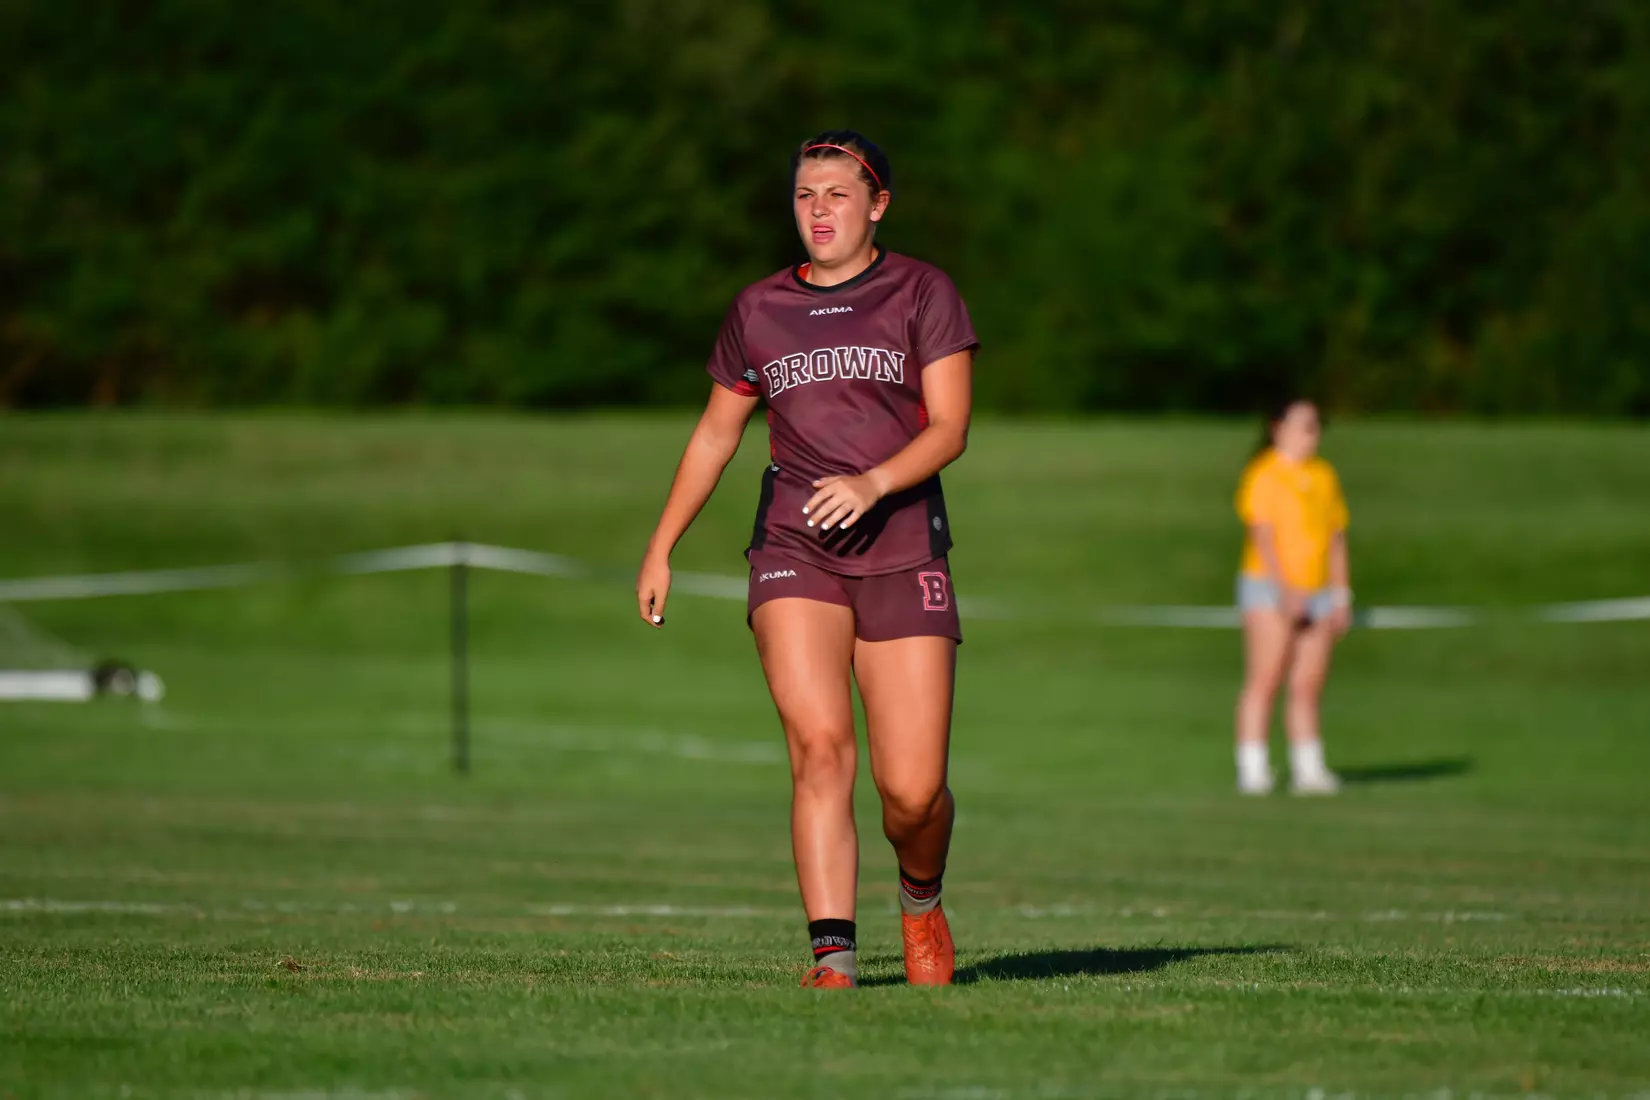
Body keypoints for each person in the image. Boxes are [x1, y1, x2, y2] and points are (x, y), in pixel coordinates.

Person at [636, 130, 978, 989]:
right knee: (820, 749)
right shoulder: (759, 309)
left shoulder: (923, 291)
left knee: (912, 794)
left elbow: (950, 428)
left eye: (837, 194)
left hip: (903, 549)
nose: (818, 211)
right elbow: (716, 435)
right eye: (804, 195)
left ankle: (922, 897)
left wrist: (873, 483)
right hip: (794, 551)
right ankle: (834, 961)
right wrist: (661, 544)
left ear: (878, 205)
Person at [1233, 398, 1352, 796]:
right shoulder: (1264, 474)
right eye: (1303, 426)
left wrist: (1341, 593)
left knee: (1307, 685)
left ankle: (1309, 769)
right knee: (1265, 679)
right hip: (1270, 589)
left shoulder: (1323, 475)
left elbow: (1335, 537)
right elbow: (1263, 536)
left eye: (1315, 426)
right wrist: (1285, 591)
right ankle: (1253, 768)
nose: (1311, 435)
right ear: (1278, 428)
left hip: (1318, 590)